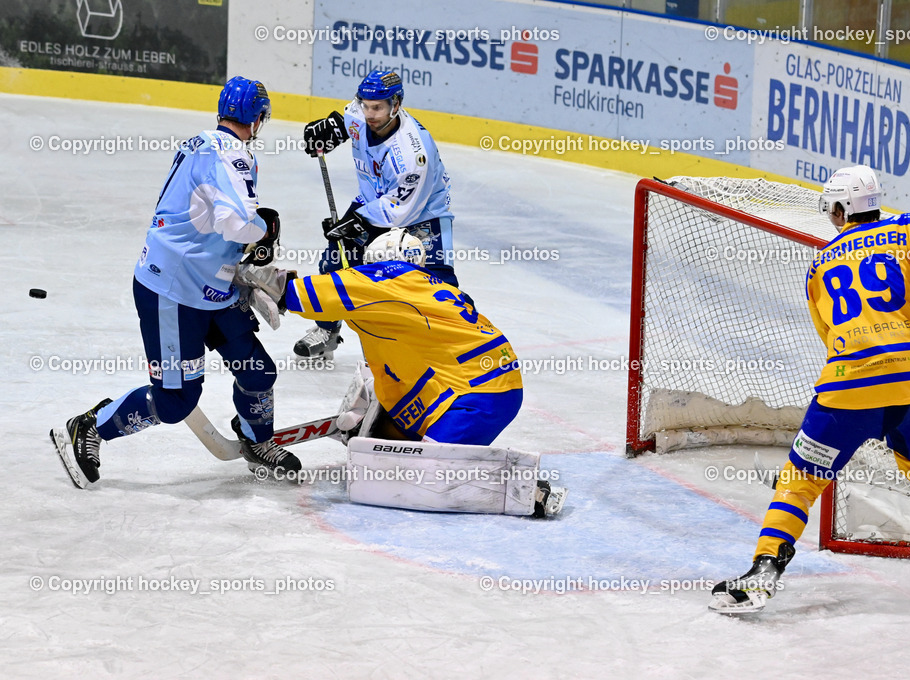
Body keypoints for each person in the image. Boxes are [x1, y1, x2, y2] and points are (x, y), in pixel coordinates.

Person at [709, 165, 910, 614]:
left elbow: (829, 336)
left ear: (842, 209)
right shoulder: (909, 229)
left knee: (800, 480)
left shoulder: (822, 263)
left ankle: (764, 572)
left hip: (849, 391)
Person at [50, 76, 300, 489]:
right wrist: (262, 232)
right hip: (173, 292)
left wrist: (241, 262)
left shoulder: (200, 142)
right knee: (174, 401)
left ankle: (257, 442)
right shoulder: (233, 155)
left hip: (209, 286)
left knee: (257, 371)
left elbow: (204, 220)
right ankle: (90, 426)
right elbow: (236, 222)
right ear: (257, 119)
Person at [235, 229, 565, 517]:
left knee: (422, 479)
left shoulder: (385, 279)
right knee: (380, 452)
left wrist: (235, 271)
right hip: (481, 383)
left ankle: (525, 490)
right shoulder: (428, 284)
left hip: (480, 396)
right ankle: (372, 416)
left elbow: (290, 292)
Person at [294, 69, 457, 360]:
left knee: (438, 286)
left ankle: (453, 343)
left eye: (378, 108)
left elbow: (399, 211)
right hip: (373, 201)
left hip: (422, 214)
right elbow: (347, 122)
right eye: (366, 106)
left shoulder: (411, 154)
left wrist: (355, 222)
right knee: (336, 260)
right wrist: (329, 131)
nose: (370, 114)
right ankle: (327, 329)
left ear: (396, 104)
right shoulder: (361, 111)